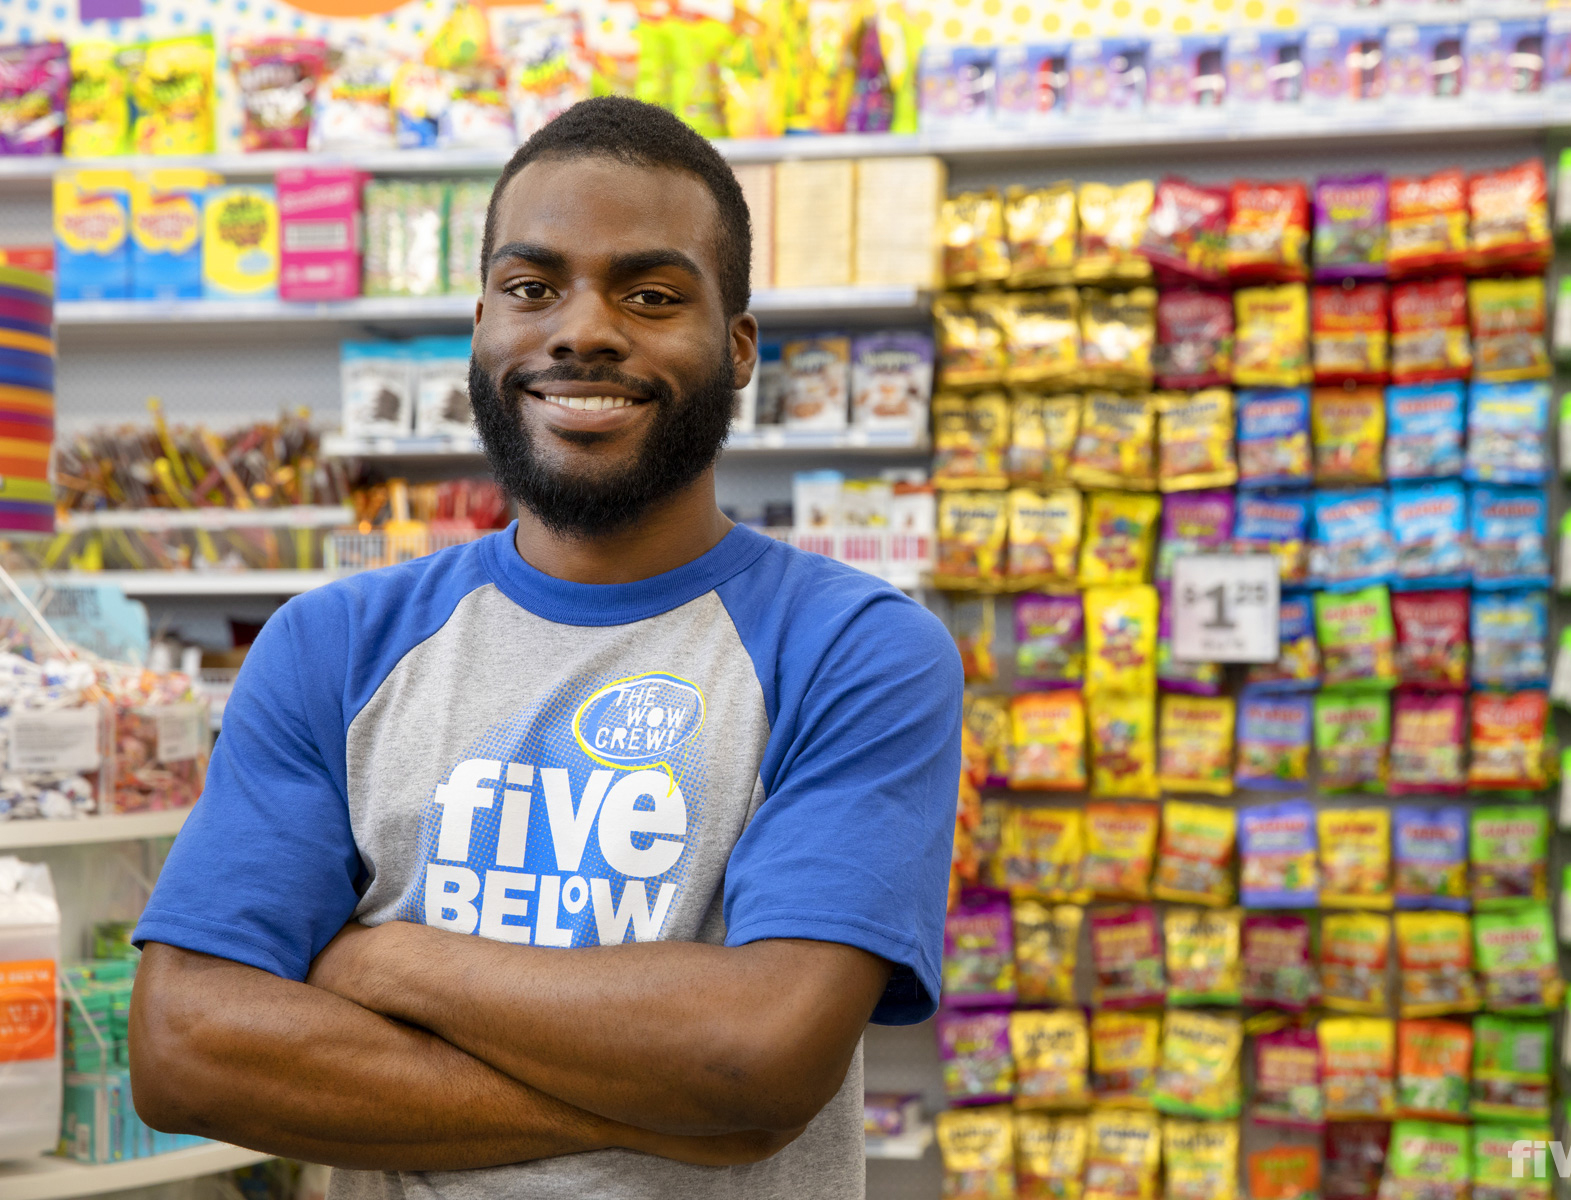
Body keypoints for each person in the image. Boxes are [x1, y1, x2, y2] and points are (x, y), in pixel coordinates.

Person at [129, 96, 963, 1200]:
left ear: (740, 346)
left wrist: (383, 959)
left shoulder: (857, 650)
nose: (581, 330)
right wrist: (687, 1120)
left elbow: (753, 1057)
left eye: (653, 295)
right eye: (532, 288)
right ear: (480, 326)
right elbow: (185, 1048)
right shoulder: (330, 645)